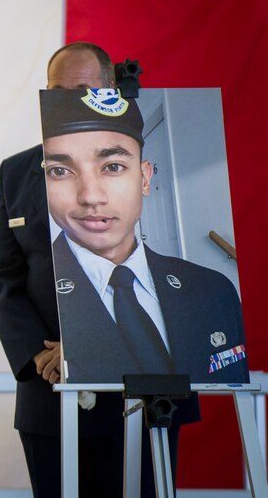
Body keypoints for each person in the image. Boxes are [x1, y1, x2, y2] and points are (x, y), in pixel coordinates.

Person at [0, 43, 190, 497]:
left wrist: (89, 348)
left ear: (111, 91)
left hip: (139, 396)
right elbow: (2, 276)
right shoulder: (18, 172)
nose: (67, 103)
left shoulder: (147, 162)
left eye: (82, 91)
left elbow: (164, 271)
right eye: (57, 92)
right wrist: (40, 357)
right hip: (50, 394)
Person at [41, 88, 248, 385]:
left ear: (145, 178)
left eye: (113, 167)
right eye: (60, 171)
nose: (90, 197)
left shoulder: (214, 291)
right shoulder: (28, 296)